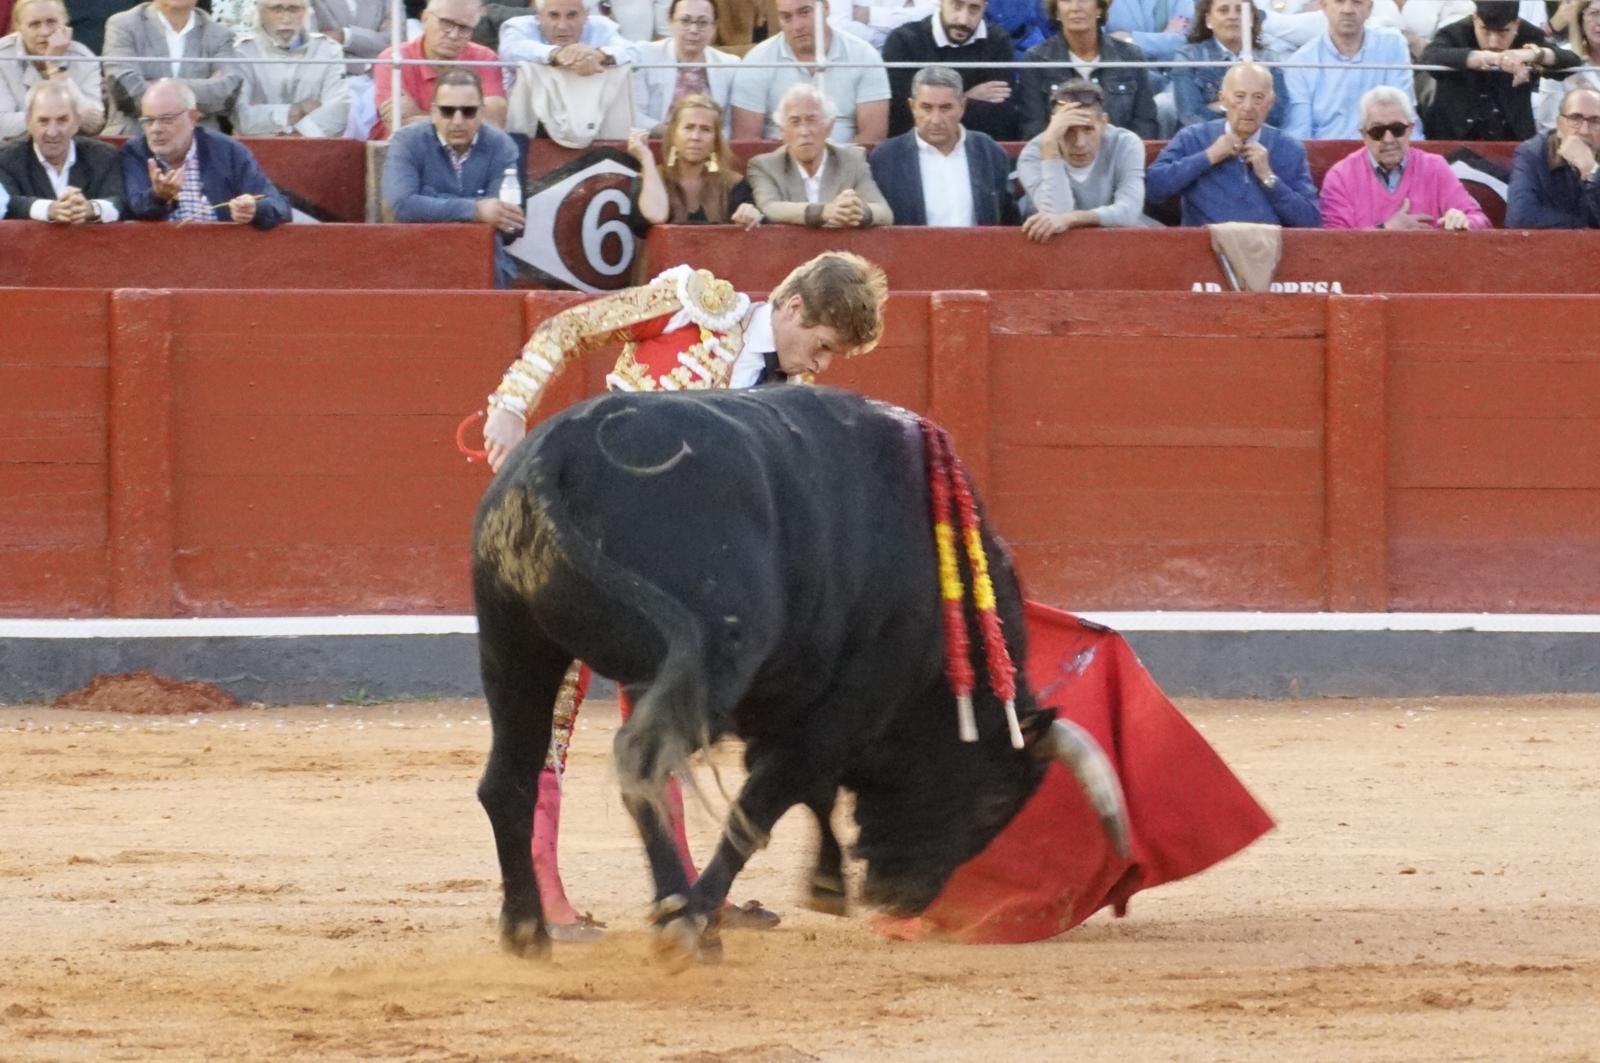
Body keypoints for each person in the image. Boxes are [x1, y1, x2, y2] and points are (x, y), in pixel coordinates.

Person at [477, 250, 889, 940]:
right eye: (820, 345)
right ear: (791, 309)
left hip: (677, 578)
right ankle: (543, 890)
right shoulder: (695, 305)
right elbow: (568, 329)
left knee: (666, 721)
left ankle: (688, 891)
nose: (820, 365)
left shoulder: (787, 404)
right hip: (589, 528)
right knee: (551, 707)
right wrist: (511, 406)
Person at [382, 69, 524, 285]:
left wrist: (431, 202)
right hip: (415, 256)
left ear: (482, 111)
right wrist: (476, 210)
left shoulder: (501, 145)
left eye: (468, 111)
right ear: (433, 112)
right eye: (448, 111)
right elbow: (401, 206)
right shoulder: (407, 140)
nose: (458, 121)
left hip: (479, 258)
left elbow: (505, 220)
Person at [1146, 61, 1319, 226]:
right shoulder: (1193, 137)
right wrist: (1208, 156)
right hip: (1203, 247)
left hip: (1265, 249)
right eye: (1239, 96)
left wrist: (1268, 178)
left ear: (1270, 102)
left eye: (1258, 97)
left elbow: (1310, 220)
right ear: (1223, 99)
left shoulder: (1289, 148)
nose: (1248, 106)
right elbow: (1152, 188)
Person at [119, 77, 291, 227]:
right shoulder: (135, 152)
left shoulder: (228, 151)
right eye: (148, 121)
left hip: (224, 255)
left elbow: (279, 206)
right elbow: (134, 209)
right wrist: (159, 196)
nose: (155, 129)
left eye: (166, 120)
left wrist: (255, 209)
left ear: (193, 117)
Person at [1320, 84, 1489, 230]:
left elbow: (1479, 220)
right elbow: (1334, 241)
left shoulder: (1435, 167)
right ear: (1364, 134)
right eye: (1377, 131)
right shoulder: (1340, 176)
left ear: (1410, 129)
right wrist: (1386, 229)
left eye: (1397, 129)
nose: (1388, 139)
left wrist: (1463, 221)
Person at [869, 65, 1019, 226]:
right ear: (912, 107)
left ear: (962, 106)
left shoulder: (989, 152)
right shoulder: (887, 158)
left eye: (945, 108)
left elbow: (1008, 217)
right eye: (926, 107)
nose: (936, 119)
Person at [729, 0, 891, 144]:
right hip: (778, 170)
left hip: (847, 170)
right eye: (786, 17)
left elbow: (873, 136)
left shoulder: (864, 55)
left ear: (826, 8)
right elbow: (746, 141)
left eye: (804, 12)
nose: (797, 26)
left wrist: (833, 166)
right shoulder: (757, 61)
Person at [1420, 1, 1581, 142]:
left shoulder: (1527, 35)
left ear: (1516, 24)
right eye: (1485, 31)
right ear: (1475, 20)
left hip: (1512, 137)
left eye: (1503, 32)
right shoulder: (1455, 33)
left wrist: (1533, 54)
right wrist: (1491, 58)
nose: (1493, 41)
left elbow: (1571, 61)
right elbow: (1430, 56)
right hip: (1453, 136)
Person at [1014, 77, 1149, 240]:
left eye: (1088, 130)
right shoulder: (1034, 153)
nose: (1080, 143)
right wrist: (1050, 147)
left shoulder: (1126, 143)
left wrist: (1071, 218)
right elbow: (1056, 214)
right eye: (1068, 130)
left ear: (1104, 122)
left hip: (1118, 243)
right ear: (1053, 126)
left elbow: (1129, 212)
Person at [747, 81, 894, 227]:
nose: (804, 131)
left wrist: (857, 212)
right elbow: (769, 208)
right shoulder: (765, 166)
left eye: (812, 120)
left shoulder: (853, 162)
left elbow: (884, 213)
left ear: (829, 126)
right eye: (795, 122)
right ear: (782, 131)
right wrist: (823, 212)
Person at [881, 0, 1021, 140]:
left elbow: (1001, 116)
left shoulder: (998, 41)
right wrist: (966, 97)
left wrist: (931, 104)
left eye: (974, 8)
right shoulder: (903, 41)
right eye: (957, 5)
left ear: (984, 8)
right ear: (940, 2)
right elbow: (901, 114)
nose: (963, 20)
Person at [1019, 0, 1157, 139]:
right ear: (1056, 11)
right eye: (1066, 1)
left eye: (1083, 0)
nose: (1075, 8)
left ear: (1099, 8)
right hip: (1058, 155)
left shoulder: (1130, 56)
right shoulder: (1035, 60)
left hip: (1119, 155)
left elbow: (1145, 122)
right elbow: (1033, 127)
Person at [102, 0, 242, 136]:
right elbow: (127, 92)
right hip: (134, 138)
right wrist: (192, 104)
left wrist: (156, 84)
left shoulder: (220, 34)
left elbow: (227, 94)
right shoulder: (123, 25)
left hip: (200, 141)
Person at [1282, 0, 1418, 141]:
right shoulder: (1301, 62)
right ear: (1323, 5)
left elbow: (1405, 114)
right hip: (1326, 156)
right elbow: (1299, 131)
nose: (1348, 10)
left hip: (1384, 150)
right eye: (1339, 1)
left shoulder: (1392, 45)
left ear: (1369, 8)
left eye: (1357, 2)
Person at [373, 0, 507, 138]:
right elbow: (399, 126)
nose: (454, 35)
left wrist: (419, 114)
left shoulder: (484, 58)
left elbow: (494, 123)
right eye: (446, 23)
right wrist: (466, 119)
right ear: (425, 19)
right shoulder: (394, 59)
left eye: (464, 28)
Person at [0, 80, 123, 222]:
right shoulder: (6, 159)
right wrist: (49, 209)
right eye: (43, 121)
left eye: (62, 120)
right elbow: (7, 204)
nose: (52, 132)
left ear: (77, 122)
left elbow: (120, 202)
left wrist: (90, 208)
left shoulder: (104, 156)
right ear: (28, 123)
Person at [635, 93, 763, 226]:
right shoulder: (648, 180)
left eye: (706, 129)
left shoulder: (732, 184)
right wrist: (646, 159)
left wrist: (751, 214)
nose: (696, 137)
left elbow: (752, 226)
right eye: (689, 127)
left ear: (716, 140)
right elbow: (654, 217)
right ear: (673, 134)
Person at [232, 0, 351, 136]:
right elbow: (242, 117)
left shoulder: (328, 49)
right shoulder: (242, 52)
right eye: (277, 9)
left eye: (293, 9)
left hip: (314, 148)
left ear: (307, 12)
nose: (286, 19)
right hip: (256, 150)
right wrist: (296, 110)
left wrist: (297, 136)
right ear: (260, 12)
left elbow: (339, 110)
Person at [1171, 0, 1286, 130]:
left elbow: (1276, 115)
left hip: (1258, 141)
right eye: (1224, 10)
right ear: (1208, 19)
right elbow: (1191, 117)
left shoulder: (1269, 58)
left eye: (1239, 10)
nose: (1232, 16)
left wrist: (1221, 105)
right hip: (1204, 142)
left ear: (1251, 18)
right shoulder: (1188, 57)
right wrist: (1247, 110)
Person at [0, 0, 105, 140]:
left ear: (65, 25)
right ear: (18, 27)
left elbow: (93, 124)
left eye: (51, 22)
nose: (44, 32)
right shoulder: (3, 56)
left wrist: (56, 66)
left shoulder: (83, 57)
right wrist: (63, 118)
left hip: (69, 146)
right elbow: (3, 125)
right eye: (34, 24)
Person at [632, 0, 738, 136]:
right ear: (670, 21)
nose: (693, 30)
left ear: (714, 26)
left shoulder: (730, 65)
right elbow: (636, 117)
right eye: (685, 21)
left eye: (702, 23)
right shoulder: (644, 56)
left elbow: (728, 124)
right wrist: (679, 136)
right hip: (656, 144)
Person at [1506, 84, 1600, 227]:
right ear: (1559, 125)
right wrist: (1584, 227)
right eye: (1575, 119)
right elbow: (1520, 217)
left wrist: (1591, 172)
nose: (1584, 131)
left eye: (1595, 121)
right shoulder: (1532, 153)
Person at [498, 0, 637, 71]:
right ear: (539, 16)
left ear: (586, 15)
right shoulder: (518, 26)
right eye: (553, 15)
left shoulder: (602, 26)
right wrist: (557, 54)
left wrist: (599, 55)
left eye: (572, 15)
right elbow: (510, 50)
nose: (562, 26)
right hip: (534, 122)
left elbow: (633, 52)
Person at [1536, 0, 1600, 130]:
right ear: (1580, 19)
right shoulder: (1560, 59)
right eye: (1594, 13)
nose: (1599, 22)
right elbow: (1549, 125)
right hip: (1574, 142)